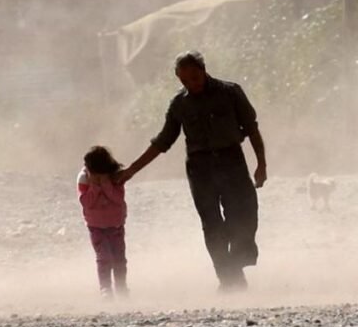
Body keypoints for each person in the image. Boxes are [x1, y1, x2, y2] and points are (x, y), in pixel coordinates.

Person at [118, 51, 267, 292]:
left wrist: (262, 163)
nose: (192, 84)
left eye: (195, 77)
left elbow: (251, 128)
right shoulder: (180, 104)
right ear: (179, 80)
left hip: (232, 162)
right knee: (212, 224)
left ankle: (235, 266)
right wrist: (132, 170)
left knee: (245, 215)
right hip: (200, 168)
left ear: (204, 70)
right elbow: (163, 141)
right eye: (185, 81)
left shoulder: (230, 92)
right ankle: (227, 279)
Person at [78, 146, 128, 299]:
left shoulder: (115, 177)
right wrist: (94, 186)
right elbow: (86, 202)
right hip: (96, 226)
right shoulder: (84, 178)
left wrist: (105, 184)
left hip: (116, 224)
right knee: (104, 257)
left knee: (119, 257)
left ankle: (121, 287)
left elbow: (117, 199)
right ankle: (105, 289)